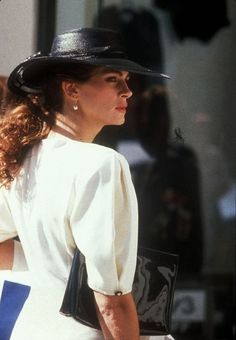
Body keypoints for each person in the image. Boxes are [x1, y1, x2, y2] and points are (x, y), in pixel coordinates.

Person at [0, 27, 171, 340]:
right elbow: (111, 304)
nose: (127, 91)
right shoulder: (101, 163)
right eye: (111, 79)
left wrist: (50, 265)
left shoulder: (23, 158)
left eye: (126, 80)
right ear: (71, 90)